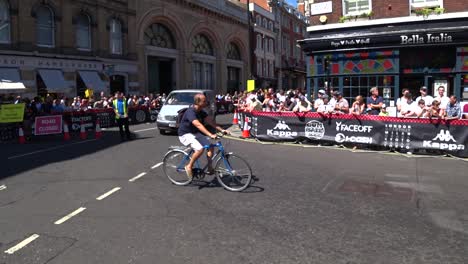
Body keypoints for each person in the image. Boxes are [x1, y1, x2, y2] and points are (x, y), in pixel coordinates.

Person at [178, 93, 228, 178]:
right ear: (198, 102)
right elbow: (198, 125)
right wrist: (210, 134)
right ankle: (189, 166)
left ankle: (209, 167)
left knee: (210, 146)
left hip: (194, 133)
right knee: (199, 149)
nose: (207, 102)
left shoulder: (201, 111)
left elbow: (211, 122)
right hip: (185, 134)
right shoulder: (191, 112)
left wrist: (222, 130)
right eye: (204, 101)